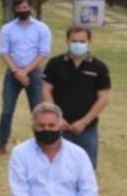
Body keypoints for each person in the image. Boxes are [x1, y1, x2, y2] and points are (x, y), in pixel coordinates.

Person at [43, 26, 111, 168]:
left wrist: (84, 122)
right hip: (60, 128)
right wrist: (57, 118)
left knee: (87, 170)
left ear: (89, 42)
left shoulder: (99, 68)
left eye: (82, 41)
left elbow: (103, 98)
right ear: (67, 41)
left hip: (87, 130)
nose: (78, 44)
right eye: (74, 41)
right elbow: (45, 90)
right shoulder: (54, 64)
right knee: (58, 168)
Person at [0, 0, 52, 156]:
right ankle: (1, 144)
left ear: (30, 7)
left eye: (25, 8)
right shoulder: (7, 29)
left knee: (38, 110)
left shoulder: (41, 28)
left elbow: (43, 53)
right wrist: (16, 71)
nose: (22, 11)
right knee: (7, 110)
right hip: (13, 72)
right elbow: (4, 52)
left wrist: (26, 71)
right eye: (19, 8)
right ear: (15, 9)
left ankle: (41, 143)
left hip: (34, 72)